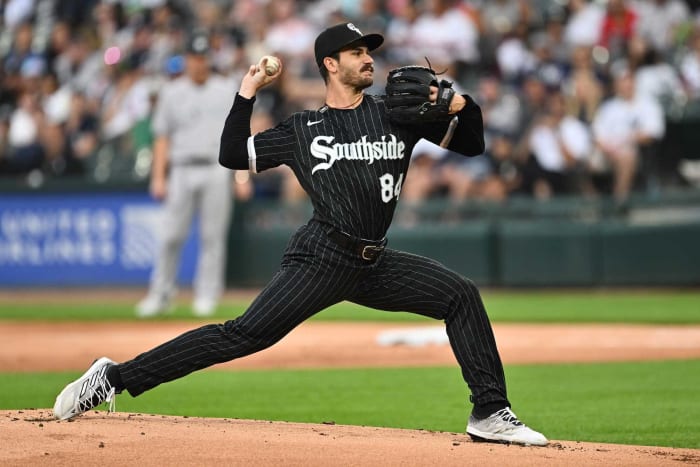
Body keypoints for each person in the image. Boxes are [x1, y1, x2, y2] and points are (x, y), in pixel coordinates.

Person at [53, 23, 548, 447]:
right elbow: (232, 155)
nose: (368, 59)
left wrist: (460, 102)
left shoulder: (394, 115)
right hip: (321, 258)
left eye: (369, 51)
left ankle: (489, 413)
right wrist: (247, 92)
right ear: (330, 64)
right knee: (242, 335)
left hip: (374, 262)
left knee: (459, 295)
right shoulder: (303, 128)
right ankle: (112, 378)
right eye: (357, 53)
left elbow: (474, 143)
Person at [135, 31, 239, 317]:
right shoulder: (171, 91)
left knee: (212, 237)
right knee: (170, 235)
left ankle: (207, 295)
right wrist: (158, 177)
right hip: (180, 168)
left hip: (216, 168)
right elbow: (161, 138)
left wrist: (242, 176)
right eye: (194, 57)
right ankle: (160, 294)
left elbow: (239, 134)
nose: (198, 63)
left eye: (203, 57)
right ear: (186, 60)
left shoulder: (226, 87)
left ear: (209, 59)